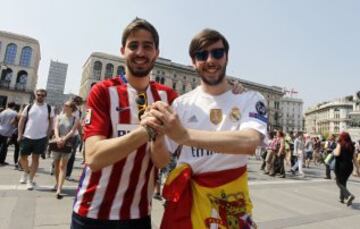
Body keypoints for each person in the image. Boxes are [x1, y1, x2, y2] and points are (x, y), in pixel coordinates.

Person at [144, 29, 267, 229]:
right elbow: (161, 160)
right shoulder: (181, 104)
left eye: (217, 53)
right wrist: (156, 137)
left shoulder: (250, 98)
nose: (210, 60)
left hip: (231, 203)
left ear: (227, 56)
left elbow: (250, 142)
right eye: (201, 55)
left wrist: (185, 136)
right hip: (187, 203)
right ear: (193, 62)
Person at [71, 18, 178, 229]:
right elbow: (93, 157)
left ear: (156, 52)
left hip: (138, 215)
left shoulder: (169, 97)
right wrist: (146, 130)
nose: (140, 52)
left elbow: (163, 162)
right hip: (93, 213)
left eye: (147, 46)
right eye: (133, 45)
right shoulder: (102, 91)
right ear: (123, 51)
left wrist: (230, 92)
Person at [17, 89, 54, 190]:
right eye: (38, 95)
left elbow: (51, 123)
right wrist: (20, 134)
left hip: (41, 137)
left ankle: (30, 180)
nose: (40, 96)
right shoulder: (29, 107)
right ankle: (26, 171)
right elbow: (21, 121)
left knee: (35, 159)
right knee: (22, 158)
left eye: (42, 95)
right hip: (27, 136)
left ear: (45, 96)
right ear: (35, 95)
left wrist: (48, 136)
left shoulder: (49, 108)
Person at [51, 101, 79, 199]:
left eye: (67, 105)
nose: (65, 106)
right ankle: (57, 182)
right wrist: (58, 138)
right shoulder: (59, 117)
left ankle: (59, 188)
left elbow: (72, 131)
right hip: (57, 143)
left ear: (72, 108)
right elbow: (55, 128)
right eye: (65, 105)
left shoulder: (75, 119)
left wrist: (64, 139)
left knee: (63, 166)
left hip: (67, 143)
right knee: (56, 165)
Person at [333, 132, 360, 206]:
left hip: (340, 165)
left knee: (338, 182)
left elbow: (337, 153)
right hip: (349, 167)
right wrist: (358, 169)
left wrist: (333, 152)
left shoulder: (340, 144)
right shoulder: (352, 146)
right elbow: (354, 159)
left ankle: (348, 195)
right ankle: (342, 198)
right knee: (343, 182)